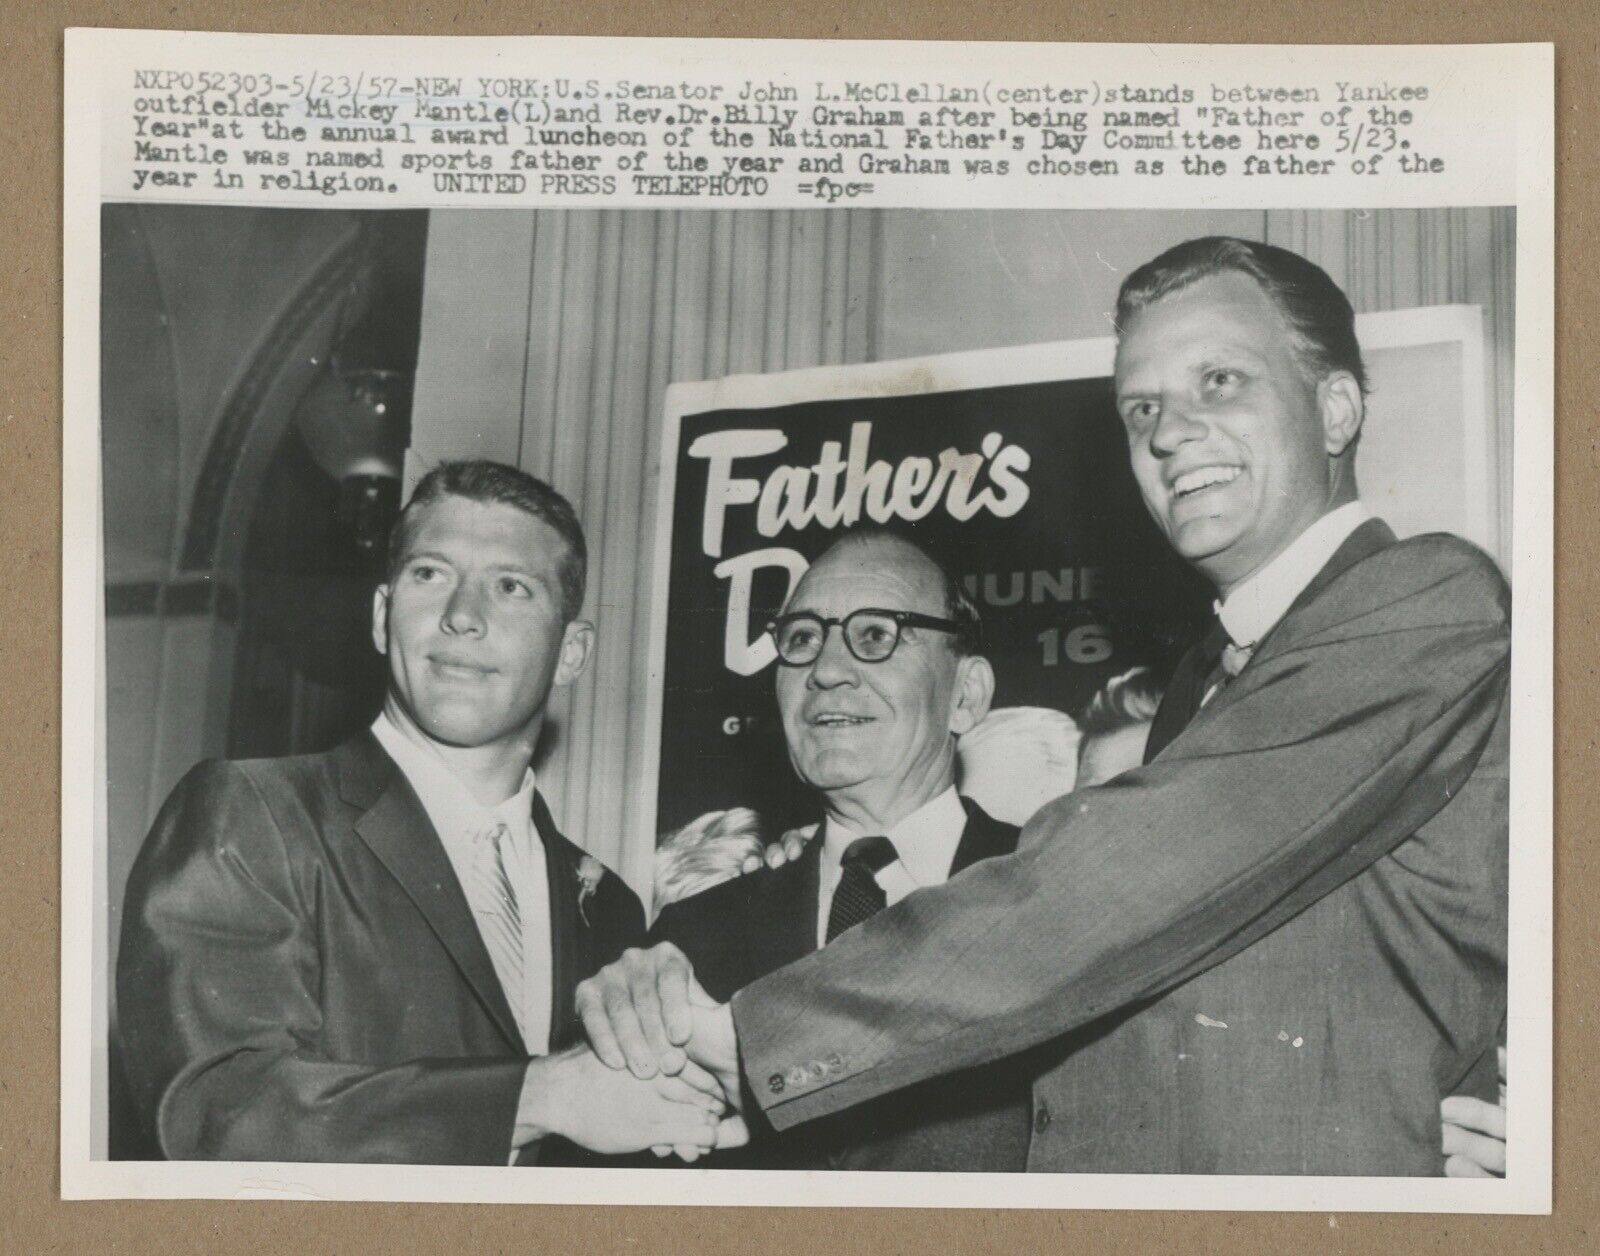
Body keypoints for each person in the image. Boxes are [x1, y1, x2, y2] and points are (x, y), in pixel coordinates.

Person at [577, 237, 1511, 1176]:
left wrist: (755, 1039)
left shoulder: (1425, 600)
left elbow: (1120, 884)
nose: (1170, 432)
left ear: (1336, 408)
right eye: (1141, 407)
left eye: (1220, 381)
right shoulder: (1202, 679)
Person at [117, 461, 738, 1164]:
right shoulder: (254, 815)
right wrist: (541, 1096)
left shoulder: (608, 906)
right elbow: (220, 1111)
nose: (462, 617)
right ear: (384, 617)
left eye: (510, 586)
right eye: (430, 575)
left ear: (572, 652)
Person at [645, 529, 1032, 1170]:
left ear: (965, 695)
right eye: (801, 638)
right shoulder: (690, 941)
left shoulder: (1053, 893)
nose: (824, 670)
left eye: (876, 634)